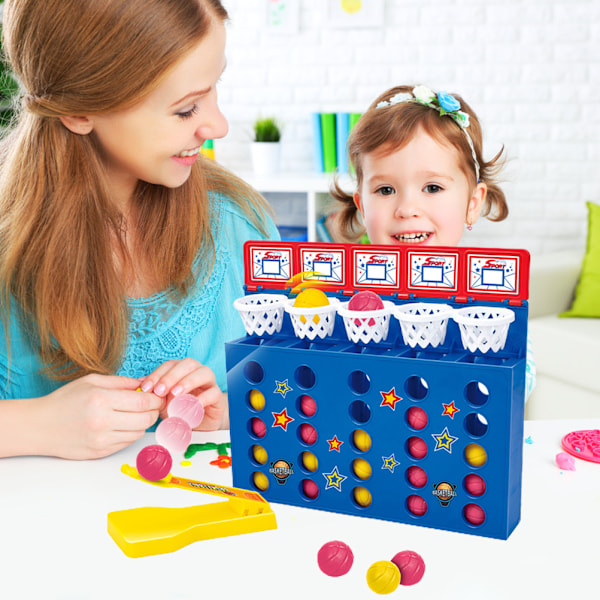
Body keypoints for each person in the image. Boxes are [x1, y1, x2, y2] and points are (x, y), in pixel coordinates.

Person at [0, 0, 279, 460]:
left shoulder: (239, 227)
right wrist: (38, 427)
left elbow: (306, 397)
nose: (218, 126)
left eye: (215, 88)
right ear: (80, 112)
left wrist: (233, 408)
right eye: (186, 109)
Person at [331, 84, 535, 398]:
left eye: (432, 188)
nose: (407, 209)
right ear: (361, 205)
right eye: (385, 190)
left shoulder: (489, 292)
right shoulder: (346, 292)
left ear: (472, 203)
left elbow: (524, 378)